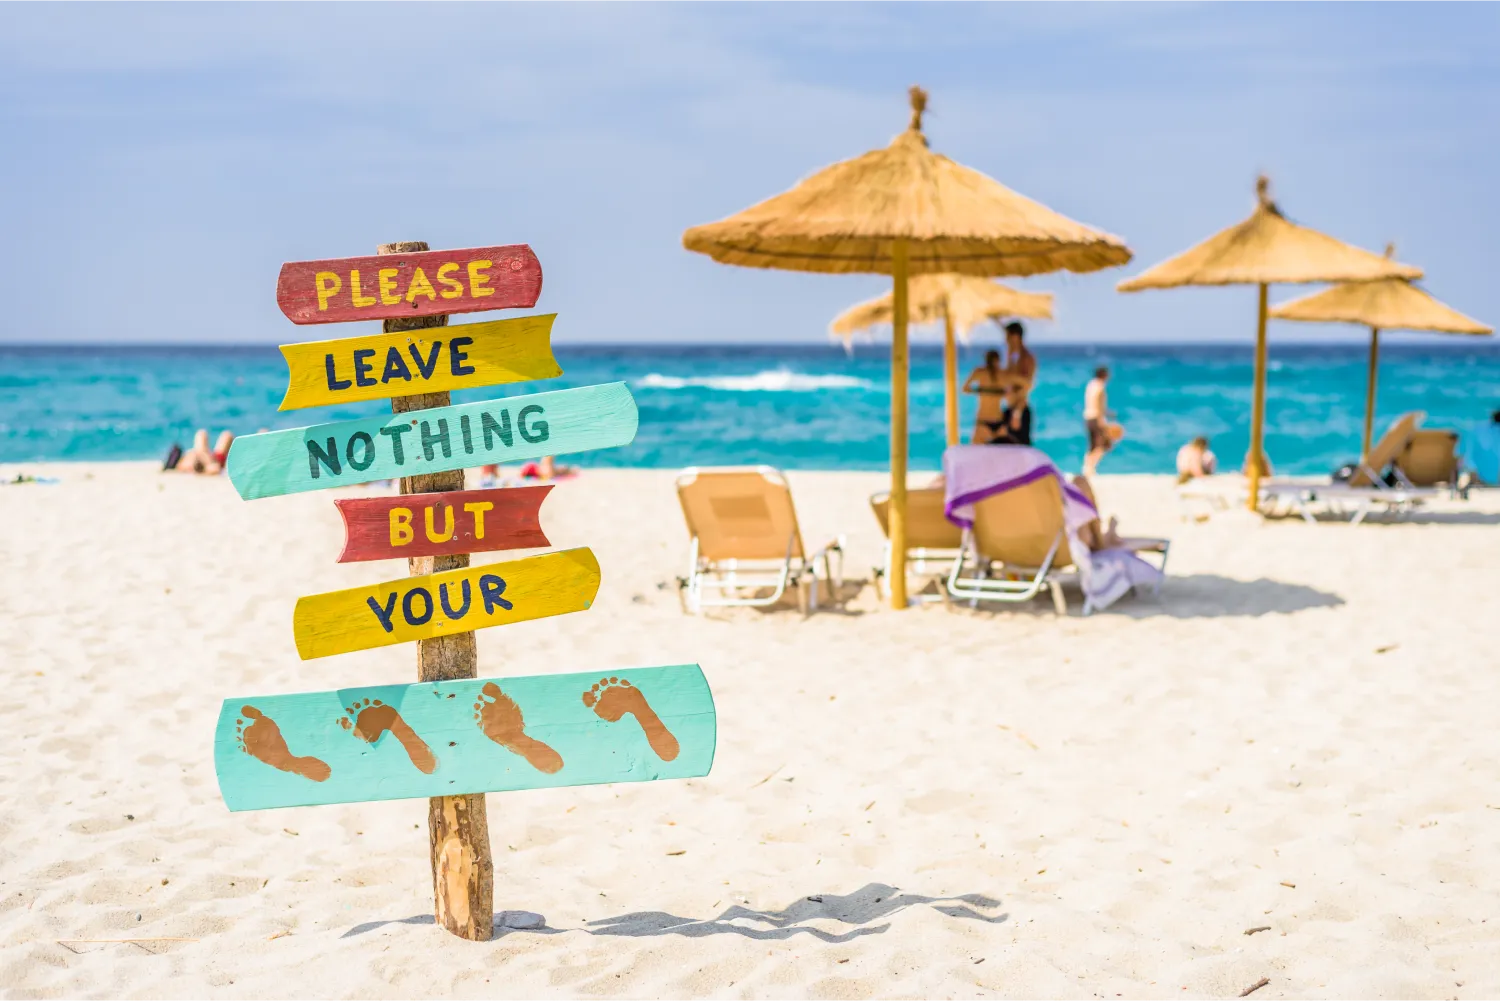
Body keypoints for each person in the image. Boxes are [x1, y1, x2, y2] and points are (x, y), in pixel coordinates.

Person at [963, 350, 1009, 443]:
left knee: (974, 454)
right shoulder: (1003, 374)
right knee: (1003, 455)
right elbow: (1018, 387)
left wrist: (977, 391)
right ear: (998, 361)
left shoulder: (980, 372)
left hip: (983, 421)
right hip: (999, 421)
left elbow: (965, 389)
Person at [1083, 366, 1113, 477]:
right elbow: (1099, 406)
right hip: (1096, 418)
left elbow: (1091, 403)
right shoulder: (1100, 387)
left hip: (1087, 417)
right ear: (1104, 375)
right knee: (1102, 445)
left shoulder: (1091, 385)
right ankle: (1090, 468)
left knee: (1092, 445)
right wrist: (1102, 420)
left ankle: (1087, 467)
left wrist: (1107, 413)